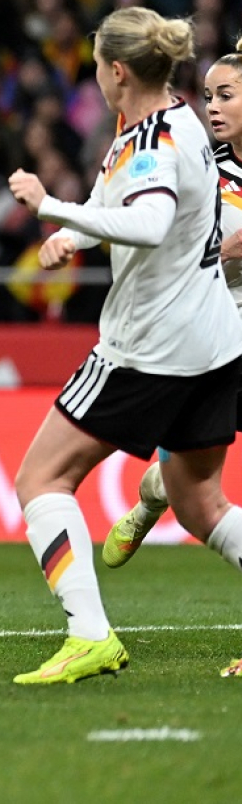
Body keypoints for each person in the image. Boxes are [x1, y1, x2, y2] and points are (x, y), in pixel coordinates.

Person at [6, 6, 242, 685]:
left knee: (41, 480)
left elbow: (150, 219)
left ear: (115, 72)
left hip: (151, 347)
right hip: (214, 341)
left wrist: (49, 205)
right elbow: (135, 202)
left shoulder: (151, 142)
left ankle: (89, 636)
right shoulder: (178, 120)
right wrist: (76, 237)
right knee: (201, 504)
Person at [101, 33, 242, 676]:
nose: (212, 107)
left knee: (197, 492)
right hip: (215, 338)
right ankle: (156, 494)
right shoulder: (209, 165)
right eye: (209, 94)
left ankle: (154, 495)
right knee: (197, 493)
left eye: (227, 95)